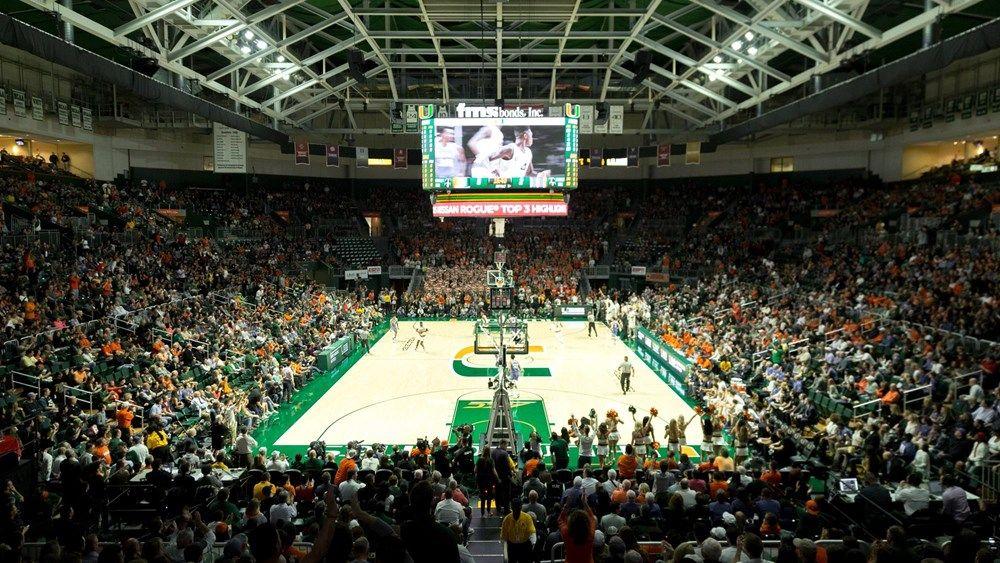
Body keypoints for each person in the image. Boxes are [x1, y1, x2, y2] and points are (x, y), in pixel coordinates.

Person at [559, 492, 596, 563]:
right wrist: (585, 503)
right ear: (586, 522)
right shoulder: (590, 534)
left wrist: (567, 505)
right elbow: (592, 518)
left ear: (570, 522)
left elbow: (560, 519)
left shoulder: (566, 532)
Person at [500, 499, 536, 563]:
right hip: (512, 547)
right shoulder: (507, 519)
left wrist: (533, 543)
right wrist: (505, 551)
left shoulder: (527, 517)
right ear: (512, 508)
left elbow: (532, 532)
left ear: (521, 508)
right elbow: (504, 537)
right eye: (515, 509)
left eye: (518, 509)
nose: (516, 511)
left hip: (524, 546)